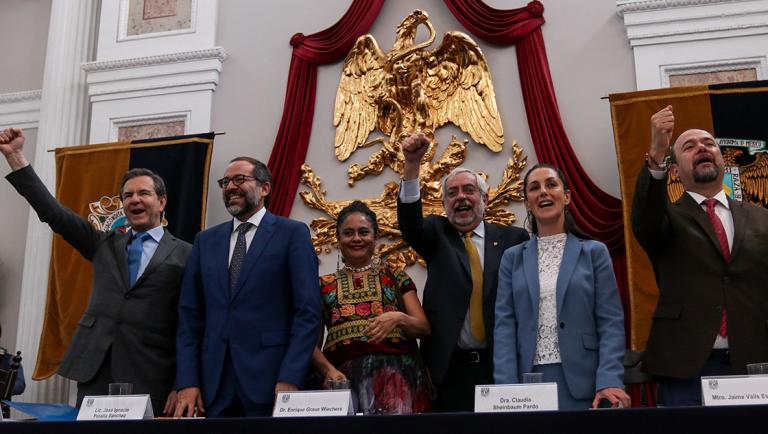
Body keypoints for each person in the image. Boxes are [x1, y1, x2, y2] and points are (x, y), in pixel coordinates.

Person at [0, 128, 191, 415]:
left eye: (143, 193)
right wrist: (15, 156)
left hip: (151, 372)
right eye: (128, 195)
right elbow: (54, 213)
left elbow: (191, 324)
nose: (135, 199)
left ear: (161, 202)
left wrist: (184, 382)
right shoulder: (103, 244)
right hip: (96, 368)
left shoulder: (188, 253)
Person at [632, 106, 768, 406]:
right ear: (675, 170)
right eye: (688, 147)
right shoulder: (664, 218)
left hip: (755, 362)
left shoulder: (761, 219)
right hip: (686, 366)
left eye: (709, 144)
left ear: (722, 159)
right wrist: (657, 151)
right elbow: (644, 215)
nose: (701, 149)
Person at [174, 157, 321, 417]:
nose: (230, 186)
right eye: (225, 182)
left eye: (239, 179)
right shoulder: (205, 241)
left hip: (272, 381)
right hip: (213, 386)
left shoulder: (292, 234)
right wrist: (187, 381)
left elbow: (307, 313)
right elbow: (189, 317)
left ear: (265, 188)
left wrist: (291, 375)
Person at [397, 133, 529, 412]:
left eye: (468, 190)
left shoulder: (514, 240)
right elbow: (410, 224)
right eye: (452, 193)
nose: (461, 198)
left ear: (484, 198)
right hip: (449, 371)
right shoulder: (436, 234)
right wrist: (411, 165)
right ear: (444, 203)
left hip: (501, 367)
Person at [493, 164, 630, 410]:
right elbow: (504, 326)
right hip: (527, 387)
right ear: (527, 203)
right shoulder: (512, 258)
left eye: (551, 185)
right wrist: (506, 390)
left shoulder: (594, 252)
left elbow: (610, 322)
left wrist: (609, 379)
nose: (543, 192)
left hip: (586, 386)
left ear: (566, 197)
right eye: (534, 188)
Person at [311, 200, 432, 414]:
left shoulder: (396, 277)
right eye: (348, 233)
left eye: (363, 232)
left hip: (399, 382)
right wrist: (328, 370)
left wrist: (398, 318)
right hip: (343, 382)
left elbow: (423, 327)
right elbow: (310, 344)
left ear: (375, 237)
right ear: (338, 239)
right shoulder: (323, 285)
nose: (356, 238)